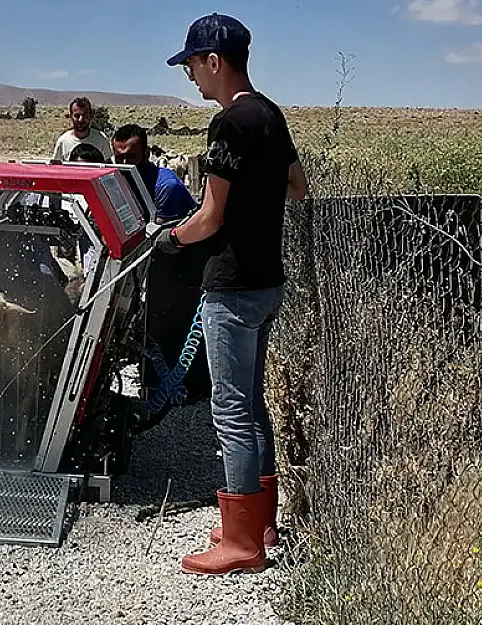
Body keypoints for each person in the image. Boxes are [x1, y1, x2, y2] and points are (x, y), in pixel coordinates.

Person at [155, 12, 308, 577]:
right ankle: (259, 521)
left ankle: (243, 542)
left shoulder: (227, 125)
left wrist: (168, 238)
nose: (191, 77)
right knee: (251, 402)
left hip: (232, 285)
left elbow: (210, 217)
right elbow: (296, 186)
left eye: (193, 64)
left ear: (214, 61)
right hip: (268, 281)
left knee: (231, 409)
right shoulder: (269, 115)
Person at [110, 123, 197, 224]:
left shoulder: (167, 186)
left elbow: (159, 232)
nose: (125, 163)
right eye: (119, 157)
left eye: (131, 156)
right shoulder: (116, 180)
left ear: (146, 154)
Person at [51, 97, 112, 162]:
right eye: (77, 116)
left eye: (85, 115)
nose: (81, 119)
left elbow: (108, 165)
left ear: (91, 115)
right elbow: (56, 167)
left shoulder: (101, 139)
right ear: (71, 116)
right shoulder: (63, 141)